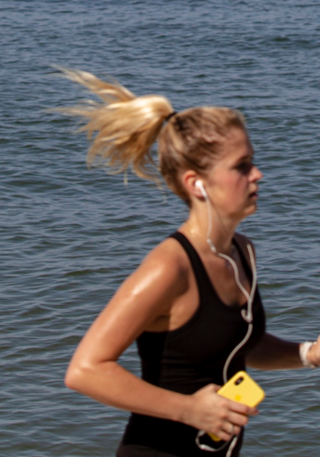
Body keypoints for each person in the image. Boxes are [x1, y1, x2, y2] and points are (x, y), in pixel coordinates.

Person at [58, 68, 320, 457]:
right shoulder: (170, 267)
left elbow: (232, 345)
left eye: (253, 162)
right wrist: (189, 410)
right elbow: (85, 370)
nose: (258, 174)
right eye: (242, 165)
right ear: (197, 183)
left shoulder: (241, 252)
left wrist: (307, 355)